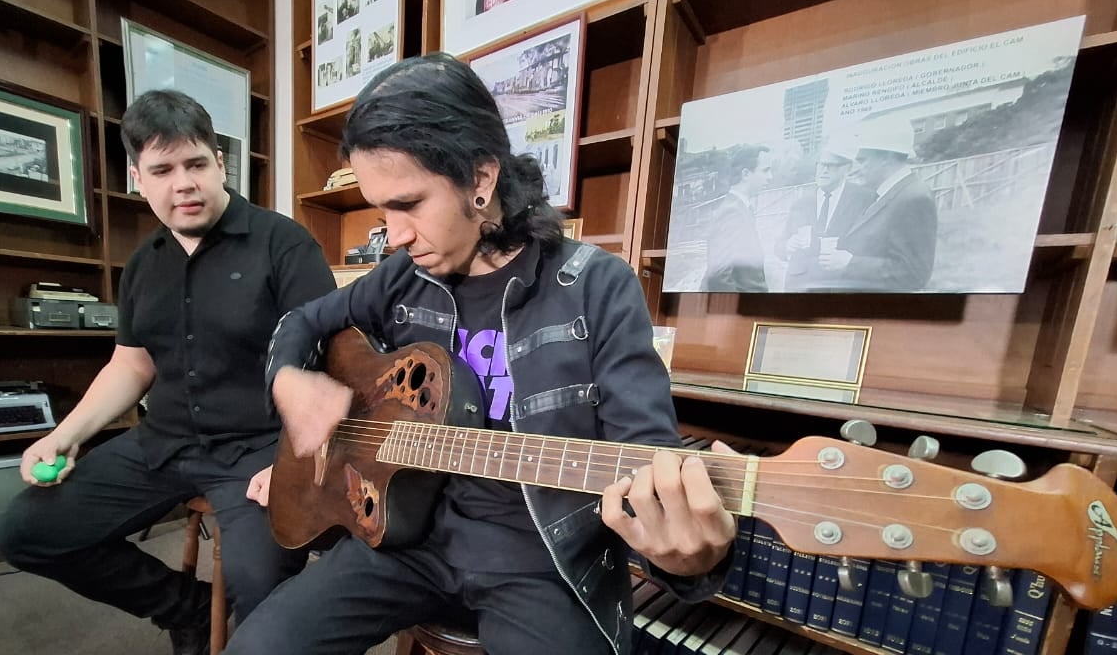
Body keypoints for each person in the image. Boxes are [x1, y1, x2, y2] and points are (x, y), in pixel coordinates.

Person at [224, 53, 734, 655]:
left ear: (480, 180)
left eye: (409, 205)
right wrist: (288, 379)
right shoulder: (399, 278)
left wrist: (689, 559)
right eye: (381, 210)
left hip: (540, 563)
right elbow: (304, 320)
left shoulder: (598, 286)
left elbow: (647, 459)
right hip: (404, 540)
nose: (395, 234)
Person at [0, 90, 337, 655]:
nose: (184, 183)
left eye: (196, 164)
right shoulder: (143, 265)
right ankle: (191, 611)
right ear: (138, 178)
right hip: (163, 443)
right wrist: (64, 436)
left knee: (264, 583)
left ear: (220, 163)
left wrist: (296, 463)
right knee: (26, 533)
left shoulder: (284, 245)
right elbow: (132, 363)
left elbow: (328, 363)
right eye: (163, 169)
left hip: (258, 451)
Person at [818, 118, 938, 291]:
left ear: (885, 158)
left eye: (864, 160)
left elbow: (914, 274)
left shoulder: (914, 198)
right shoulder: (888, 193)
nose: (858, 168)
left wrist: (851, 263)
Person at [774, 138, 875, 292]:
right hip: (800, 287)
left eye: (831, 166)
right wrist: (788, 246)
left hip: (840, 287)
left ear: (847, 168)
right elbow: (779, 247)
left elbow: (871, 246)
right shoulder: (801, 203)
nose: (824, 170)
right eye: (821, 165)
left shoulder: (864, 199)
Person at [700, 144, 772, 292]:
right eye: (765, 171)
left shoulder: (741, 208)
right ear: (745, 174)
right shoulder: (731, 212)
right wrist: (741, 312)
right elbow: (718, 276)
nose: (770, 177)